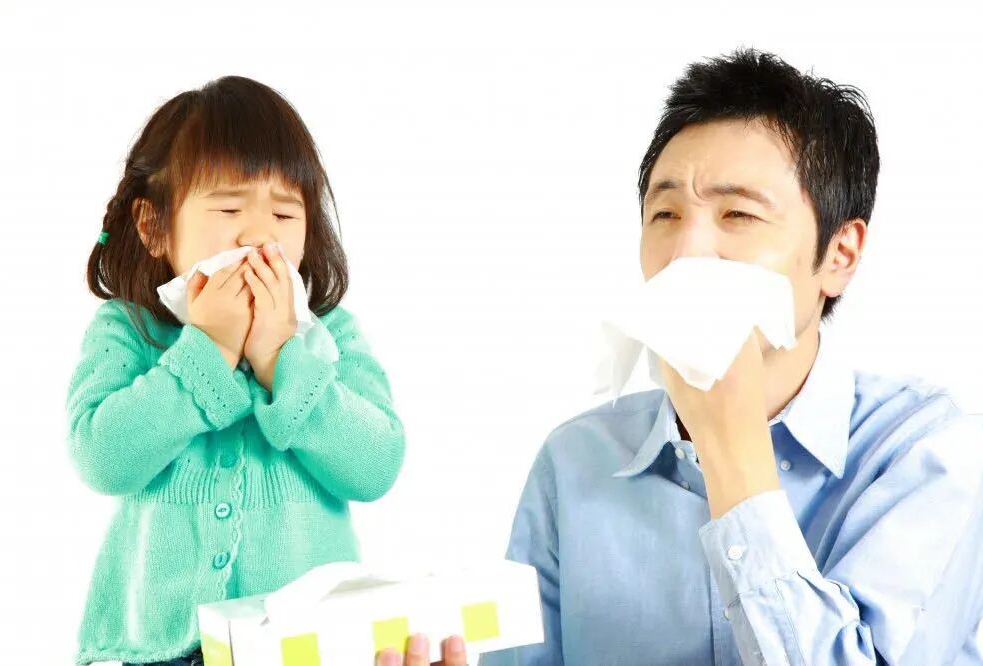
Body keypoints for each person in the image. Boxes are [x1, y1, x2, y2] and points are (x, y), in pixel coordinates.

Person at [381, 48, 983, 666]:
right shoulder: (574, 463)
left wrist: (734, 451)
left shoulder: (927, 453)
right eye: (665, 214)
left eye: (738, 214)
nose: (686, 253)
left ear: (840, 254)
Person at [66, 75, 406, 666]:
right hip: (165, 647)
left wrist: (281, 361)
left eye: (285, 213)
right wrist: (207, 349)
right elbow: (102, 459)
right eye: (228, 207)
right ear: (153, 227)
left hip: (308, 644)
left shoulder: (330, 335)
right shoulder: (129, 330)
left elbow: (376, 466)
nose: (259, 234)